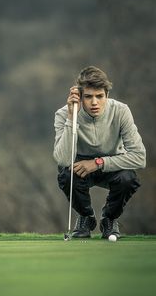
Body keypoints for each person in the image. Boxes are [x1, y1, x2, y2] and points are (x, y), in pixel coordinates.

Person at [53, 66, 146, 239]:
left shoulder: (121, 111)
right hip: (80, 167)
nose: (94, 102)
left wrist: (98, 163)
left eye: (99, 96)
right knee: (67, 175)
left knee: (128, 179)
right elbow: (63, 159)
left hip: (112, 164)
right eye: (88, 97)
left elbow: (140, 157)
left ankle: (109, 219)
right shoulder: (63, 114)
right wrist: (71, 117)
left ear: (107, 96)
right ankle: (86, 218)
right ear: (80, 97)